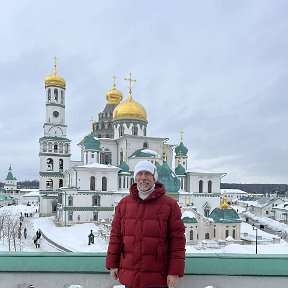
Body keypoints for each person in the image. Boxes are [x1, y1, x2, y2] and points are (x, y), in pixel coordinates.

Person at [106, 160, 186, 288]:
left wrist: (174, 272)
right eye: (140, 173)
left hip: (158, 276)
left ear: (154, 178)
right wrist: (112, 264)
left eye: (148, 174)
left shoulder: (170, 205)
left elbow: (177, 241)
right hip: (131, 274)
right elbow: (116, 237)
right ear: (135, 177)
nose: (143, 178)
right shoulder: (124, 204)